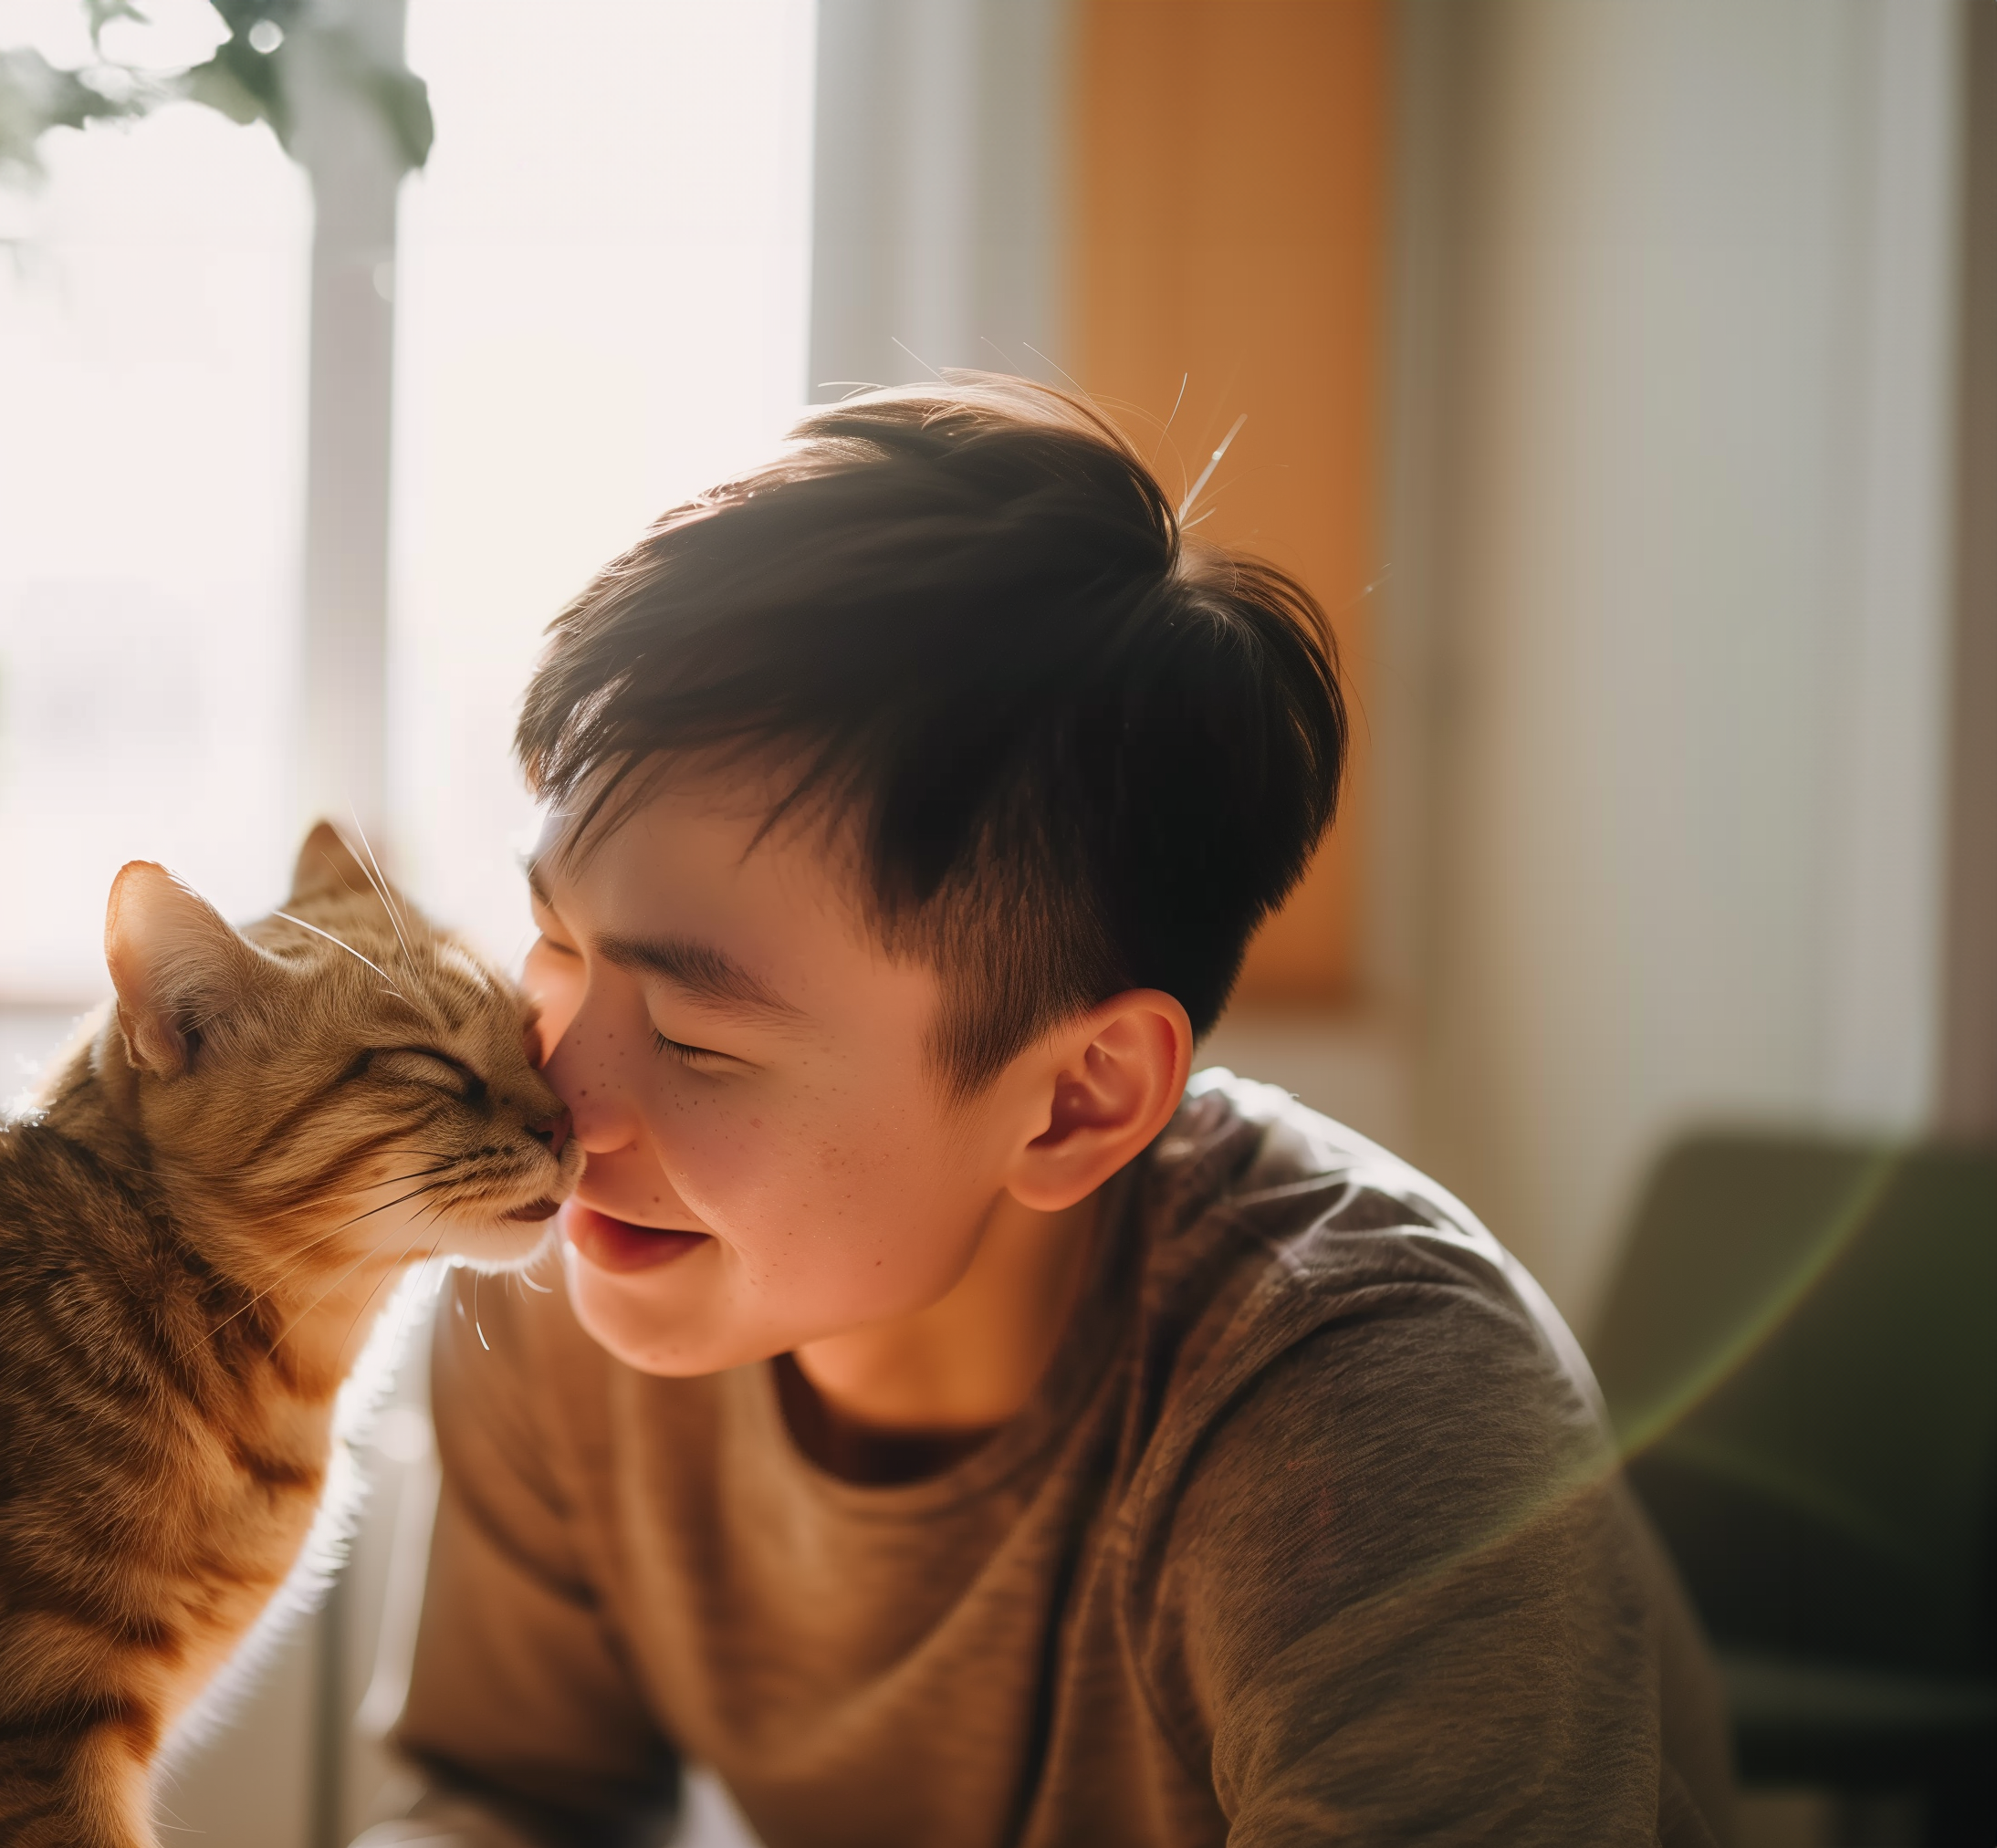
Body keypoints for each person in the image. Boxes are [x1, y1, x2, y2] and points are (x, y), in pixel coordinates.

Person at [353, 375, 1731, 1847]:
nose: (557, 1097)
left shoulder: (1372, 1415)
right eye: (553, 944)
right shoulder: (582, 1257)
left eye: (695, 1034)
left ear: (1076, 1102)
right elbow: (510, 1803)